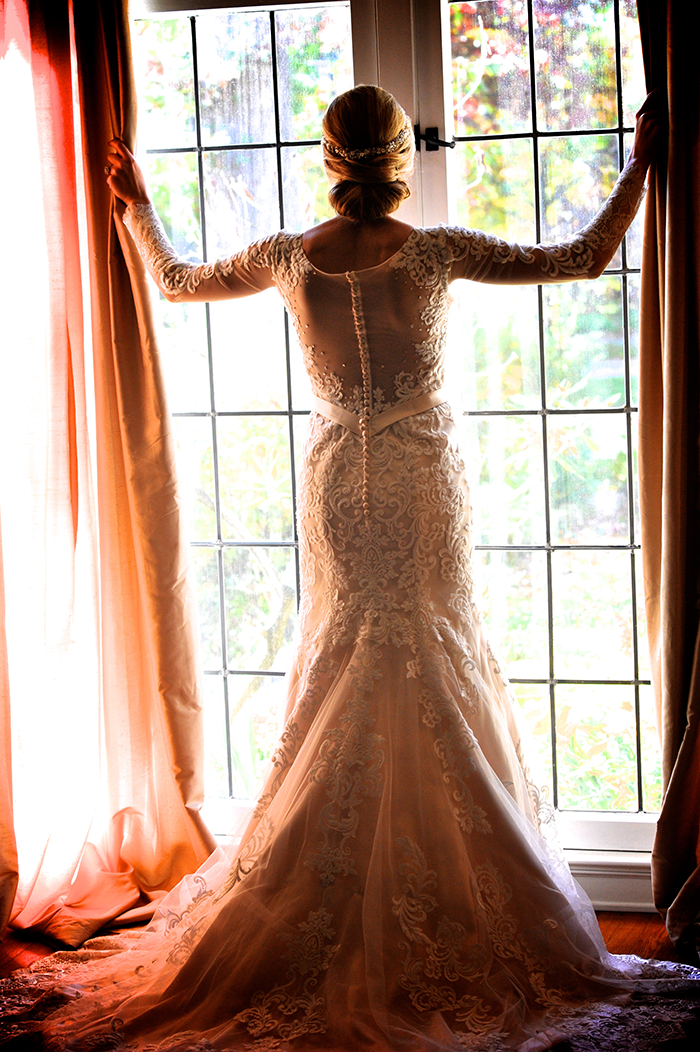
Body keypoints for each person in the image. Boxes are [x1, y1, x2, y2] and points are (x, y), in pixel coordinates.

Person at [4, 85, 698, 1052]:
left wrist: (134, 207)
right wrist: (640, 168)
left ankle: (317, 877)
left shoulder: (292, 256)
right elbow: (582, 259)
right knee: (429, 651)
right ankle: (456, 887)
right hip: (420, 479)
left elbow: (174, 280)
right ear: (400, 158)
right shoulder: (440, 249)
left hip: (339, 480)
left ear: (331, 161)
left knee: (347, 653)